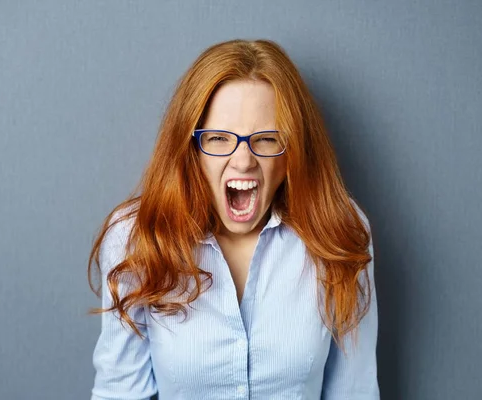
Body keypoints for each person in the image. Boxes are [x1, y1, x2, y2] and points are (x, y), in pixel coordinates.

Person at [88, 39, 379, 399]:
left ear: (294, 152)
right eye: (218, 138)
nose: (243, 161)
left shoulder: (340, 231)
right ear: (190, 148)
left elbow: (355, 391)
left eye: (268, 139)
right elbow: (120, 394)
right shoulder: (135, 237)